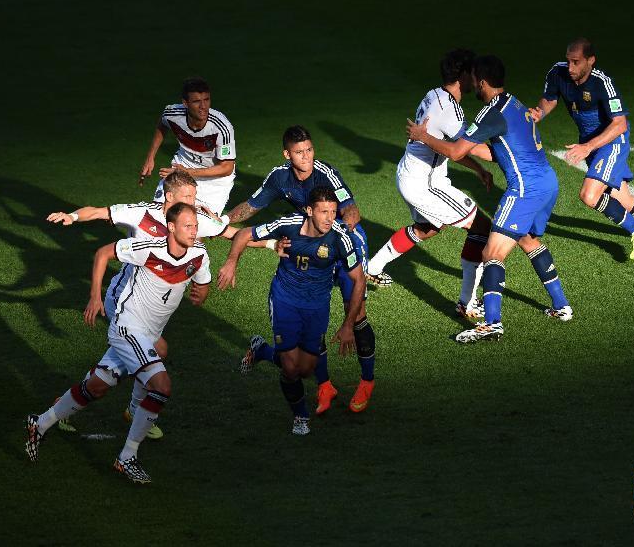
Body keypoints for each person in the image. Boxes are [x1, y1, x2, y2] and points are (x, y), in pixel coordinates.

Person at [26, 202, 211, 483]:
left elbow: (202, 281)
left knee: (97, 386)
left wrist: (201, 295)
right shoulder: (148, 248)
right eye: (188, 226)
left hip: (148, 334)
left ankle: (40, 423)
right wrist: (95, 296)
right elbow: (102, 253)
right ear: (171, 228)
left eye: (195, 226)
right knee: (161, 386)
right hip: (128, 328)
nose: (194, 230)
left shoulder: (198, 254)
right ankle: (127, 457)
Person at [408, 55, 572, 342]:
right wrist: (476, 158)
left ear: (481, 82)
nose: (472, 83)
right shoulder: (515, 104)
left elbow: (457, 152)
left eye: (473, 79)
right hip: (547, 183)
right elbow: (494, 152)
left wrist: (424, 137)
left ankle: (492, 323)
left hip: (524, 189)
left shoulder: (489, 114)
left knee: (491, 253)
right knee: (527, 240)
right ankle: (562, 306)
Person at [225, 125, 377, 414]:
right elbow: (250, 207)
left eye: (309, 149)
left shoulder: (326, 173)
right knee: (311, 307)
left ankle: (367, 380)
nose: (306, 157)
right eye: (299, 152)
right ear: (287, 154)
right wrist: (220, 222)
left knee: (355, 313)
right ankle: (325, 385)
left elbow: (352, 210)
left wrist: (335, 232)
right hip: (309, 243)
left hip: (343, 241)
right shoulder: (280, 177)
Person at [218, 187, 365, 434]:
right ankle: (300, 416)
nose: (330, 218)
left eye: (333, 212)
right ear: (309, 211)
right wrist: (232, 262)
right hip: (285, 299)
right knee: (289, 367)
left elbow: (359, 280)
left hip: (317, 306)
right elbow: (245, 233)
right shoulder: (289, 224)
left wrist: (348, 324)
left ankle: (261, 350)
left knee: (305, 370)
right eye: (323, 212)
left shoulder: (341, 237)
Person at [530, 38, 634, 259]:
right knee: (625, 202)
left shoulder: (602, 83)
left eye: (576, 62)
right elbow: (549, 99)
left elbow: (620, 124)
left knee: (589, 195)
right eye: (568, 61)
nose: (570, 67)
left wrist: (587, 147)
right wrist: (540, 112)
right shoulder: (558, 73)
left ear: (590, 61)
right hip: (591, 142)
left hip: (611, 141)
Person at [364, 49, 495, 319]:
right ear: (462, 75)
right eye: (473, 72)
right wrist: (507, 154)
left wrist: (478, 170)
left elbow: (452, 148)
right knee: (482, 227)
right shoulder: (450, 111)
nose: (476, 77)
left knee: (427, 228)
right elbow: (469, 148)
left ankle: (372, 267)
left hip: (410, 174)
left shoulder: (433, 94)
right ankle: (467, 303)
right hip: (425, 183)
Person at [139, 77, 237, 215]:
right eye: (197, 101)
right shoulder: (172, 113)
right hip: (182, 166)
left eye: (206, 100)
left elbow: (226, 167)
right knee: (158, 215)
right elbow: (162, 123)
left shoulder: (221, 127)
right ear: (185, 103)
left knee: (195, 229)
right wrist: (150, 158)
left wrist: (187, 172)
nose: (203, 106)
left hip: (214, 181)